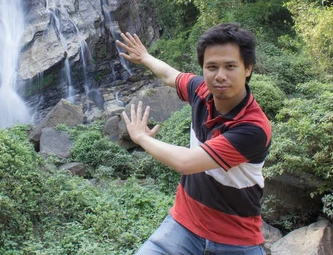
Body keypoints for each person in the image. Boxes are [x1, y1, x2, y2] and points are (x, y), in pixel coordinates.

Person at [116, 23, 270, 255]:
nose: (220, 76)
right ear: (203, 69)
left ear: (248, 68)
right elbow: (170, 75)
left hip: (236, 241)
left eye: (230, 66)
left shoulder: (253, 128)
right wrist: (145, 57)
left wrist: (140, 137)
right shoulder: (200, 90)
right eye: (212, 67)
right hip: (183, 226)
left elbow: (186, 163)